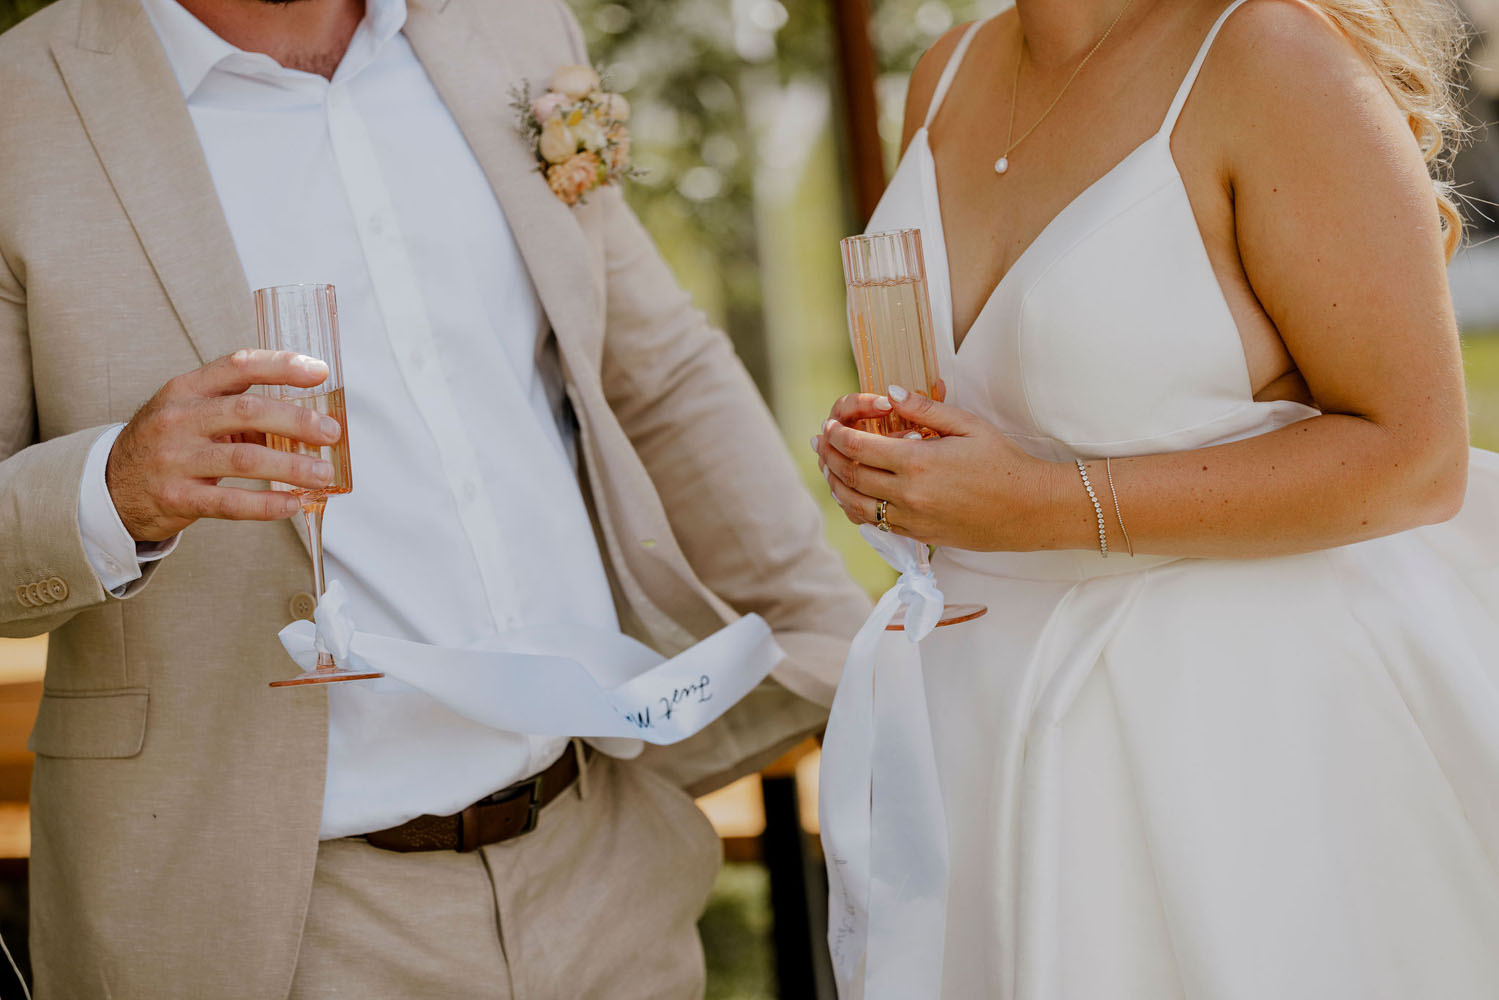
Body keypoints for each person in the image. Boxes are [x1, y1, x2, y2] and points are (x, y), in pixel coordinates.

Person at [0, 0, 870, 995]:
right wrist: (115, 490)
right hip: (277, 923)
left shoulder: (512, 29)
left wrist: (836, 640)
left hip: (605, 864)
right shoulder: (20, 108)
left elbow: (659, 374)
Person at [815, 0, 1499, 995]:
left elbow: (1415, 455)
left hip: (1228, 735)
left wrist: (1044, 505)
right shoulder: (944, 71)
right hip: (972, 724)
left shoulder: (1268, 54)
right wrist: (902, 473)